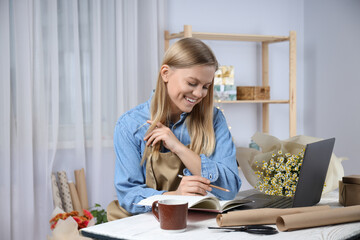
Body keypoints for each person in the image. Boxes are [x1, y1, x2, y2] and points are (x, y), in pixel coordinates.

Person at [107, 37, 242, 220]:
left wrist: (178, 146)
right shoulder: (130, 125)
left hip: (191, 225)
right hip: (143, 227)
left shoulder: (214, 119)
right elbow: (129, 196)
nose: (199, 94)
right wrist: (175, 196)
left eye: (206, 87)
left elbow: (230, 189)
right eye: (192, 83)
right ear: (165, 73)